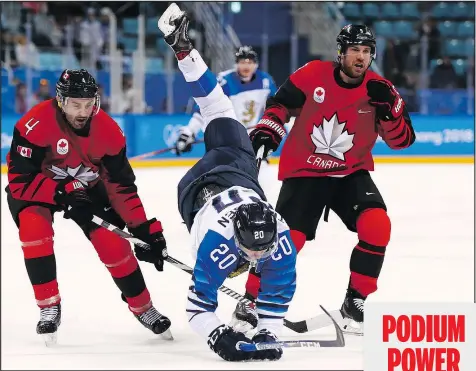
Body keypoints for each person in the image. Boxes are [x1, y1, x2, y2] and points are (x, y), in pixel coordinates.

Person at [236, 24, 416, 334]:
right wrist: (268, 131)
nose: (361, 57)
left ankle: (354, 302)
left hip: (350, 173)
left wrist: (392, 112)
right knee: (287, 241)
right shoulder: (313, 74)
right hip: (307, 171)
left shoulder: (380, 89)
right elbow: (279, 105)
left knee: (377, 225)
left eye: (366, 52)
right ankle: (250, 301)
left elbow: (403, 141)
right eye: (355, 50)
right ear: (341, 52)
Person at [149, 4, 296, 362]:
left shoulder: (278, 238)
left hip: (237, 167)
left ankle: (184, 49)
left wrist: (267, 331)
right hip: (202, 186)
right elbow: (197, 309)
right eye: (251, 253)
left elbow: (274, 304)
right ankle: (184, 50)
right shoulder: (217, 244)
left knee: (219, 109)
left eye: (261, 251)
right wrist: (221, 338)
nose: (262, 255)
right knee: (217, 107)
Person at [5, 69, 171, 344]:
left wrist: (143, 228)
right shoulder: (33, 123)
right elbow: (20, 180)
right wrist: (62, 193)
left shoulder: (109, 132)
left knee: (114, 244)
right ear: (60, 100)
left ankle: (144, 307)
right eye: (75, 104)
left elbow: (122, 187)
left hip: (88, 189)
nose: (83, 111)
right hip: (41, 188)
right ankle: (48, 305)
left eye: (88, 104)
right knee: (34, 232)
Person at [173, 46, 279, 191]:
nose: (246, 65)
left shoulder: (266, 82)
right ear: (236, 64)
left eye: (249, 62)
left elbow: (276, 107)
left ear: (256, 64)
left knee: (262, 182)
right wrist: (188, 132)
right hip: (227, 140)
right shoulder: (225, 81)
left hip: (250, 142)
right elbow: (206, 108)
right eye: (242, 62)